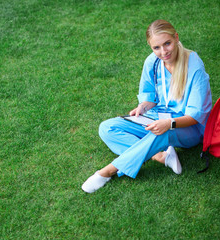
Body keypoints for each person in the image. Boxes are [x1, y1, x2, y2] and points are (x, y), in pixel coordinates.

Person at [81, 19, 212, 193]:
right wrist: (143, 107)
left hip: (189, 127)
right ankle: (161, 156)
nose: (163, 52)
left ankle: (107, 172)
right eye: (156, 47)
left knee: (162, 133)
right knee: (106, 128)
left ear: (176, 38)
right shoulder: (153, 62)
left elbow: (196, 115)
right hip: (158, 117)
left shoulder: (194, 65)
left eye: (167, 44)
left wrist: (169, 124)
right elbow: (151, 97)